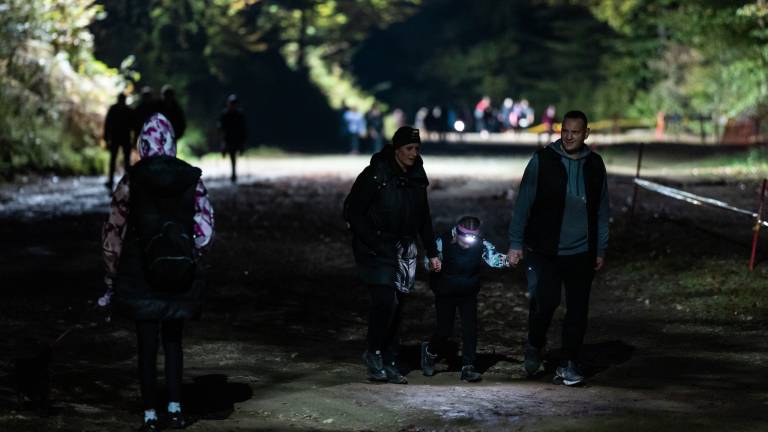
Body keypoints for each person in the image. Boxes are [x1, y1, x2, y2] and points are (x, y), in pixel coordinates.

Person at [100, 113, 214, 431]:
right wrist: (190, 254)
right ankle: (176, 411)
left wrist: (111, 276)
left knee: (146, 345)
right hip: (179, 274)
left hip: (140, 274)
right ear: (172, 143)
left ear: (142, 144)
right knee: (174, 342)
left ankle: (150, 415)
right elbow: (205, 231)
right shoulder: (191, 179)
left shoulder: (131, 180)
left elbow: (113, 232)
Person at [507, 110, 609, 386]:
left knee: (577, 309)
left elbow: (602, 209)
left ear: (586, 134)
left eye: (575, 132)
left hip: (582, 251)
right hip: (545, 250)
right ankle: (534, 343)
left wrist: (600, 248)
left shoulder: (595, 164)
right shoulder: (542, 160)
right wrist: (515, 242)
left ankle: (569, 362)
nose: (569, 136)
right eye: (565, 131)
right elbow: (523, 202)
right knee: (545, 303)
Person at [345, 125, 441, 384]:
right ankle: (374, 352)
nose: (413, 153)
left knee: (398, 305)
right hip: (376, 248)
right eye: (409, 148)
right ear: (397, 149)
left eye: (417, 148)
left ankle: (389, 358)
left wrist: (432, 251)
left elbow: (423, 217)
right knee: (386, 301)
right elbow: (353, 211)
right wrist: (374, 242)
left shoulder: (417, 176)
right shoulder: (376, 174)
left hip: (404, 248)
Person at [420, 216, 509, 382]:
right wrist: (432, 264)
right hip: (446, 292)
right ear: (457, 232)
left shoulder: (481, 244)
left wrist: (508, 260)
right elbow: (428, 260)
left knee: (470, 329)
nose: (469, 240)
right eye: (466, 236)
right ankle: (429, 352)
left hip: (468, 292)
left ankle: (468, 366)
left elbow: (493, 258)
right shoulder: (443, 241)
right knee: (444, 330)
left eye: (473, 237)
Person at [103, 92, 135, 190]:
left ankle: (123, 181)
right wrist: (106, 138)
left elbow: (134, 125)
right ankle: (113, 181)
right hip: (117, 138)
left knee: (124, 161)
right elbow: (107, 124)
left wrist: (106, 138)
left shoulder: (126, 110)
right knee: (116, 160)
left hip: (122, 138)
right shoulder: (117, 109)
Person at [218, 94, 248, 183]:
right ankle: (233, 172)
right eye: (231, 103)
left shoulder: (239, 114)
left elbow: (243, 127)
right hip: (228, 138)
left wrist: (243, 140)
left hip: (237, 138)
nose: (232, 105)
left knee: (234, 154)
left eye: (234, 103)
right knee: (231, 154)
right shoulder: (225, 114)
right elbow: (221, 126)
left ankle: (233, 172)